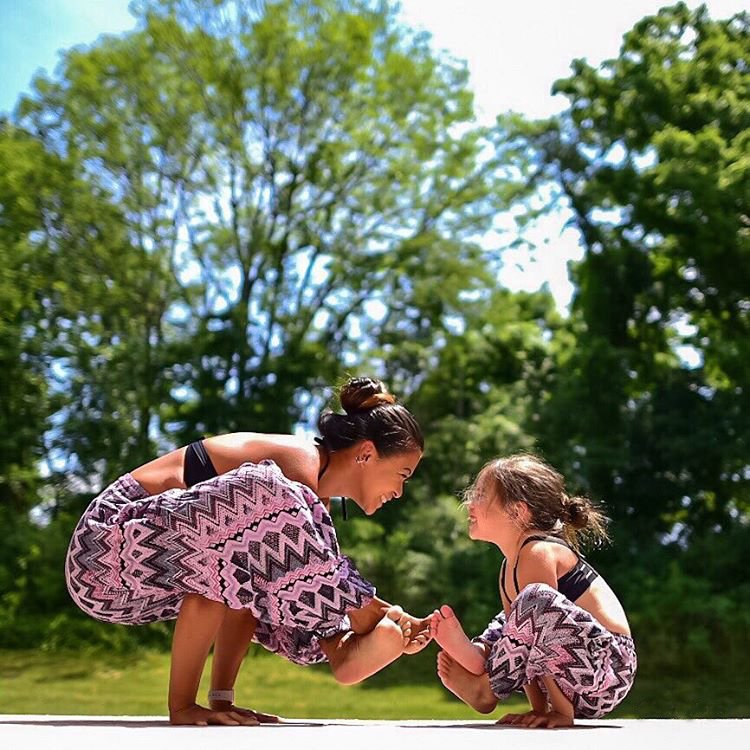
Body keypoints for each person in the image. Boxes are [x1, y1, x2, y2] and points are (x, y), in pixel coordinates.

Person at [65, 377, 431, 726]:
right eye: (402, 474)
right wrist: (378, 609)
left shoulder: (306, 509)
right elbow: (299, 557)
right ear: (366, 453)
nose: (400, 492)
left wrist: (222, 701)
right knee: (274, 513)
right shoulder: (297, 466)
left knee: (272, 566)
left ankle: (339, 642)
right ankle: (357, 620)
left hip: (150, 581)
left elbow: (247, 592)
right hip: (103, 549)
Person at [430, 453, 636, 728]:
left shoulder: (538, 551)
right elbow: (526, 642)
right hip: (575, 679)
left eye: (480, 495)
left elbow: (545, 630)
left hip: (609, 668)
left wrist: (560, 712)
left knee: (533, 601)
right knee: (512, 623)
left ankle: (486, 685)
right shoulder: (509, 566)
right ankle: (479, 654)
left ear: (517, 512)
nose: (469, 503)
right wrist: (538, 709)